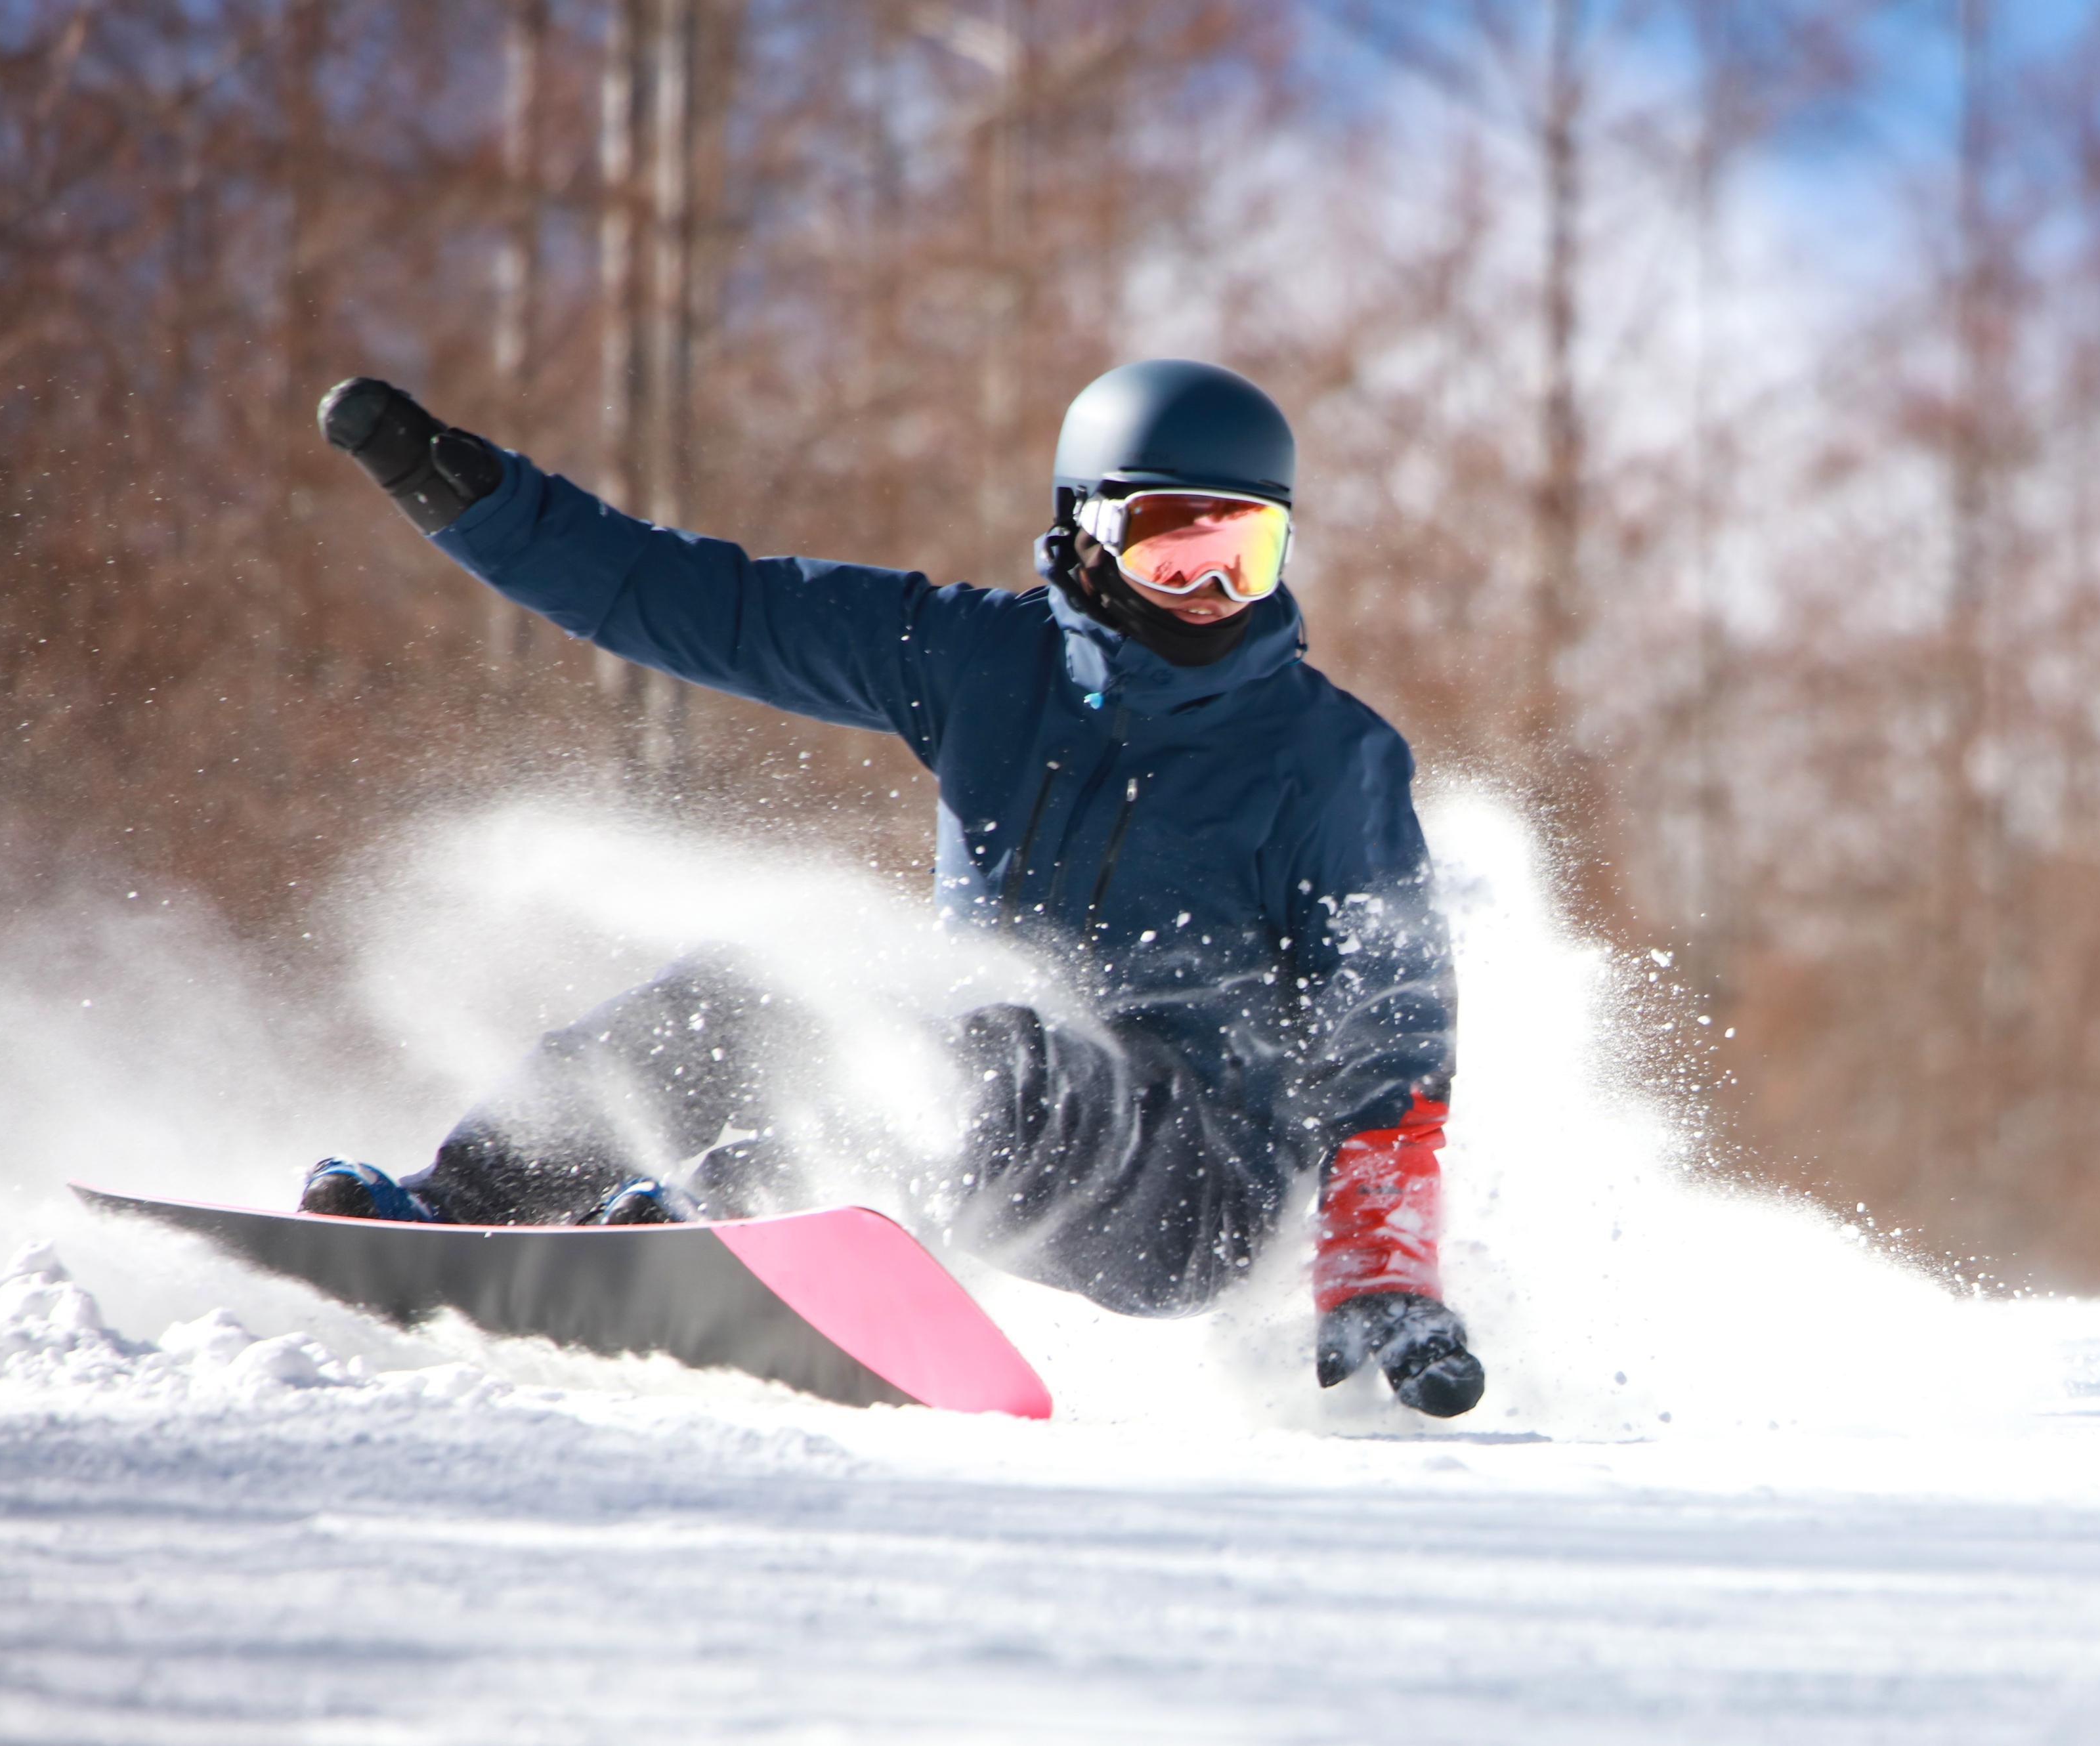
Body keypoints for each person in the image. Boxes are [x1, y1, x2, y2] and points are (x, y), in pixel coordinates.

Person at [297, 360, 1484, 1417]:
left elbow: (1388, 1020)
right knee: (766, 983)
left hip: (1192, 1184)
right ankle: (466, 1200)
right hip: (981, 1089)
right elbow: (708, 604)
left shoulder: (1326, 756)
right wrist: (478, 503)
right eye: (1175, 546)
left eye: (1247, 555)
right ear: (1085, 528)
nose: (1209, 592)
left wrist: (1381, 1266)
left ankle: (750, 1222)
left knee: (994, 1059)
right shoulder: (982, 659)